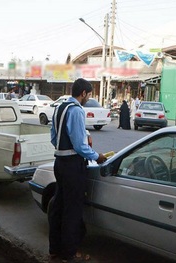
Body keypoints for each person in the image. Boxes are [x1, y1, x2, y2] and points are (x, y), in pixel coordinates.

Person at [49, 78, 107, 263]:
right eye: (88, 95)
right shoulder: (76, 111)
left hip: (59, 163)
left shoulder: (60, 108)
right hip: (73, 165)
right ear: (83, 93)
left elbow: (53, 137)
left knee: (59, 206)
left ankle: (55, 249)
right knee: (72, 211)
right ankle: (70, 253)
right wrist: (97, 156)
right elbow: (80, 146)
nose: (88, 98)